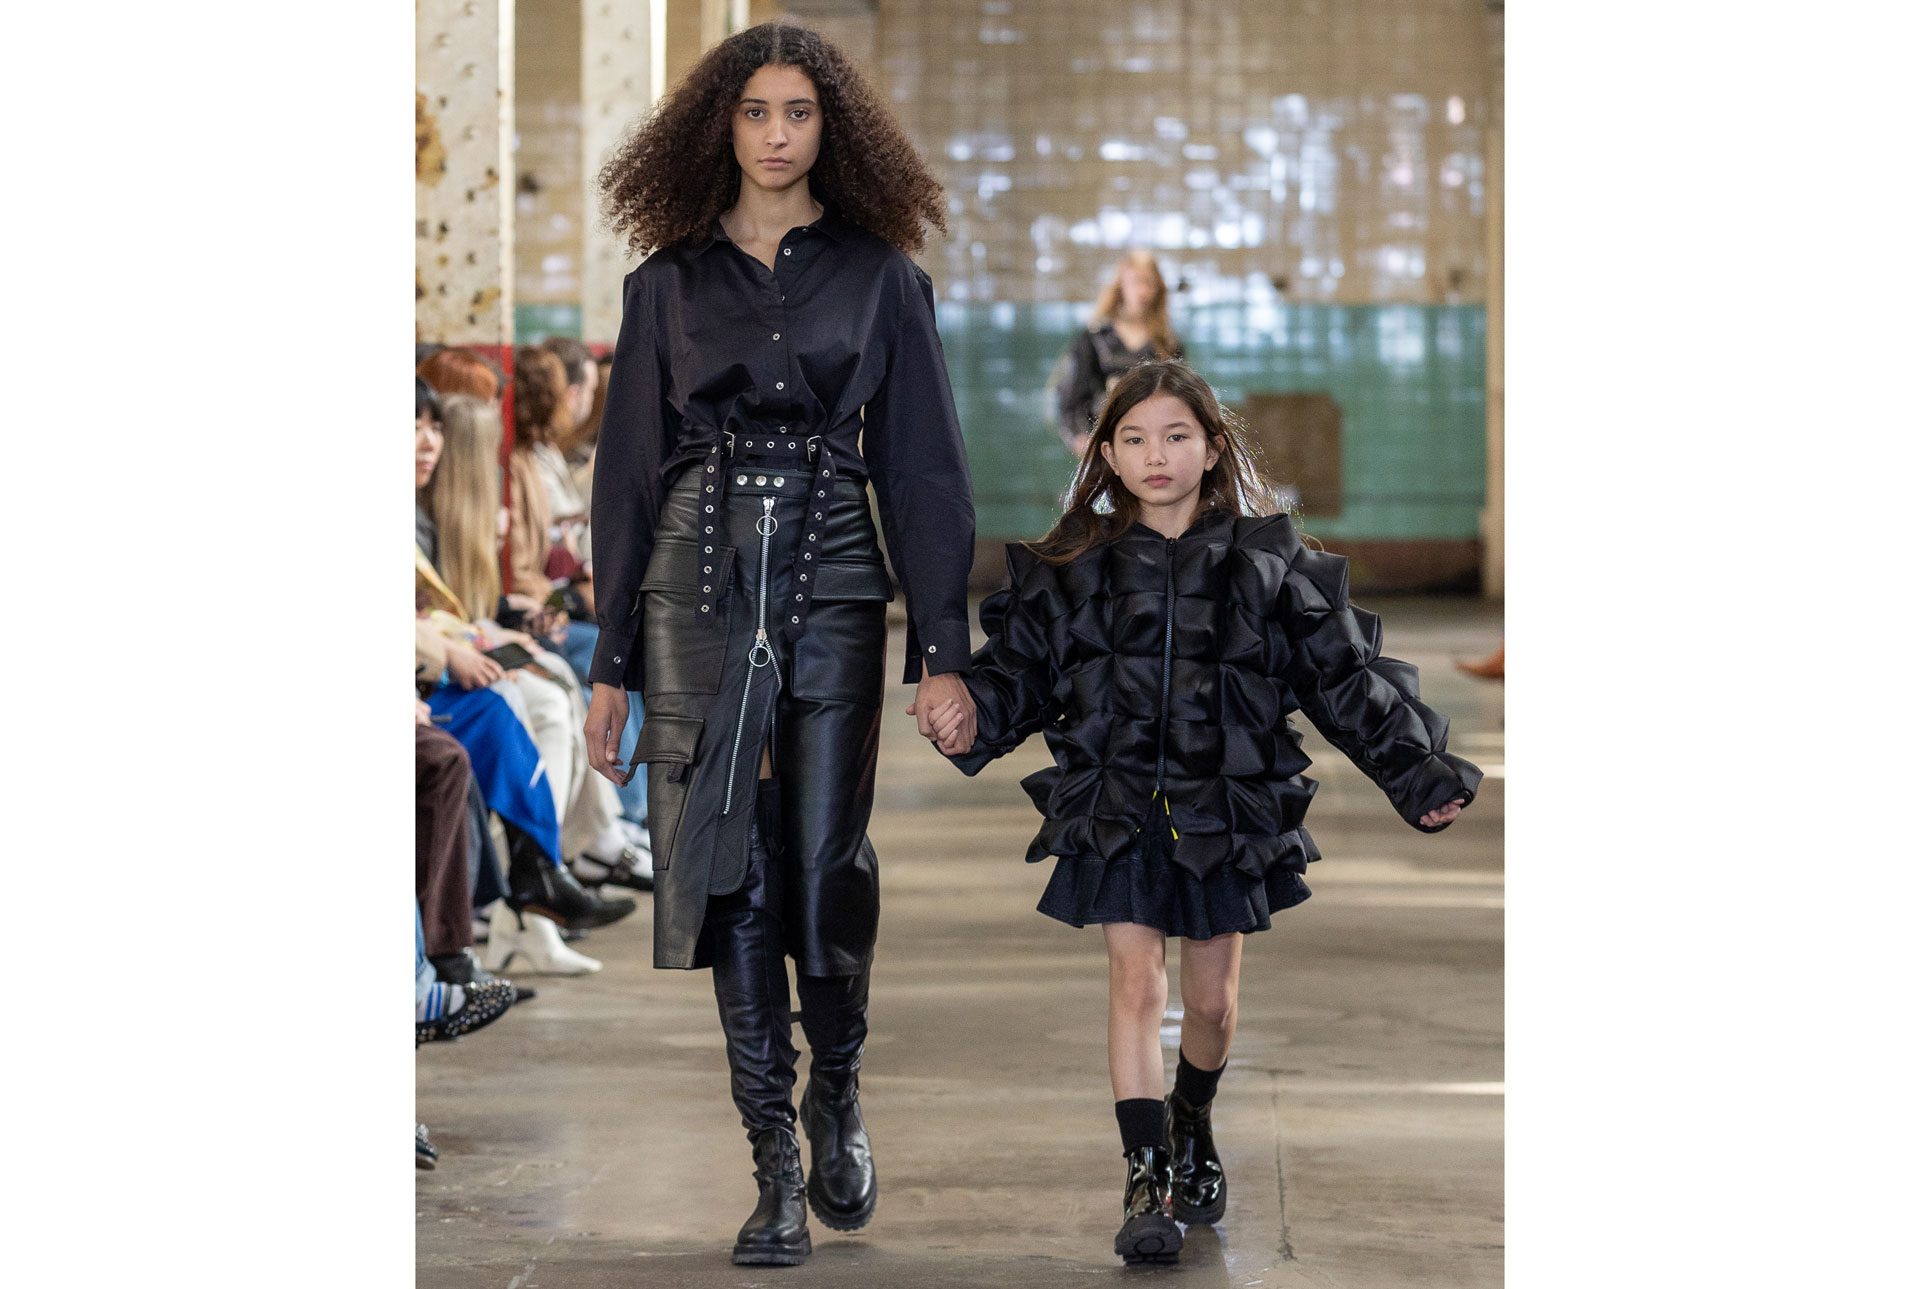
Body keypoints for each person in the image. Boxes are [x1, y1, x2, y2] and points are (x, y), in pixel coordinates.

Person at [918, 359, 1481, 1266]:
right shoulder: (1076, 566)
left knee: (1211, 1002)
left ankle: (1191, 1118)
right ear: (1107, 453)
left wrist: (1418, 770)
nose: (1156, 455)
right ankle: (1145, 1176)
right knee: (1137, 984)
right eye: (1134, 439)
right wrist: (967, 708)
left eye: (1177, 436)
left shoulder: (1267, 563)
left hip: (1227, 803)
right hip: (1116, 797)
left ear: (1213, 448)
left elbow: (1345, 677)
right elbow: (1016, 668)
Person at [586, 20, 977, 1267]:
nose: (773, 135)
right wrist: (607, 667)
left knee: (820, 858)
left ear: (832, 127)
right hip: (694, 583)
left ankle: (838, 1082)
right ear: (720, 126)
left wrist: (945, 650)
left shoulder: (880, 275)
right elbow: (627, 484)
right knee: (729, 863)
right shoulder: (666, 283)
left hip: (835, 575)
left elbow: (922, 469)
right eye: (752, 112)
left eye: (796, 112)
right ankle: (768, 1162)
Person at [1052, 250, 1184, 459]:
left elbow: (1182, 401)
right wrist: (1082, 442)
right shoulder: (1095, 338)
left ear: (1158, 288)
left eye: (1148, 283)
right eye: (1135, 282)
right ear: (1121, 285)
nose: (1142, 291)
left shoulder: (1168, 343)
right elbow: (1069, 401)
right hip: (1104, 443)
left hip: (1155, 447)